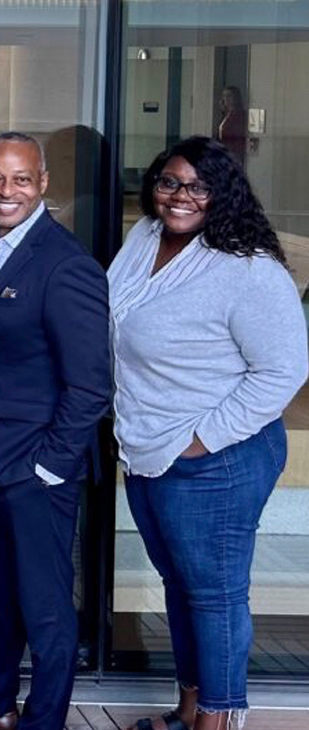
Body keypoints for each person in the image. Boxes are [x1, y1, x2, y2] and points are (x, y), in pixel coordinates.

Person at [109, 137, 307, 730]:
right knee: (181, 585)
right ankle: (191, 706)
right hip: (149, 445)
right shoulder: (143, 237)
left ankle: (217, 719)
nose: (180, 196)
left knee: (215, 594)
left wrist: (201, 439)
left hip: (217, 456)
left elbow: (284, 370)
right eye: (169, 182)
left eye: (198, 186)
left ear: (222, 194)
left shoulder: (247, 267)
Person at [0, 132, 111, 730]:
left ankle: (44, 719)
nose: (6, 191)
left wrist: (52, 463)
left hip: (39, 463)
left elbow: (91, 384)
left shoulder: (66, 263)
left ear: (43, 183)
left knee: (45, 606)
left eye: (21, 179)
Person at [214, 86, 248, 168]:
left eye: (229, 96)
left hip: (233, 154)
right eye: (224, 96)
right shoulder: (226, 115)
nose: (226, 99)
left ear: (236, 98)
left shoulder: (239, 115)